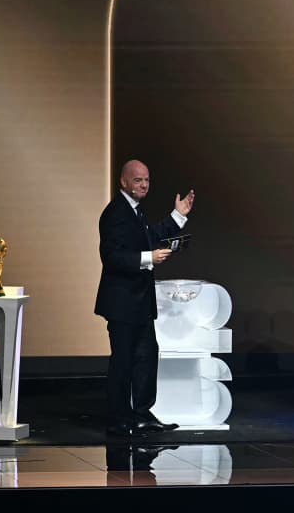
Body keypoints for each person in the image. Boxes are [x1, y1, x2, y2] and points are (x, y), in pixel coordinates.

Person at [94, 159, 195, 437]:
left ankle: (141, 414)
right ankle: (118, 419)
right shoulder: (115, 213)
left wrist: (178, 215)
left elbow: (150, 235)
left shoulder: (135, 211)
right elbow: (112, 257)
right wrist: (147, 258)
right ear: (123, 182)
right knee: (123, 361)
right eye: (138, 180)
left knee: (146, 357)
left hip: (139, 303)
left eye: (147, 180)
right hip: (122, 302)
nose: (144, 185)